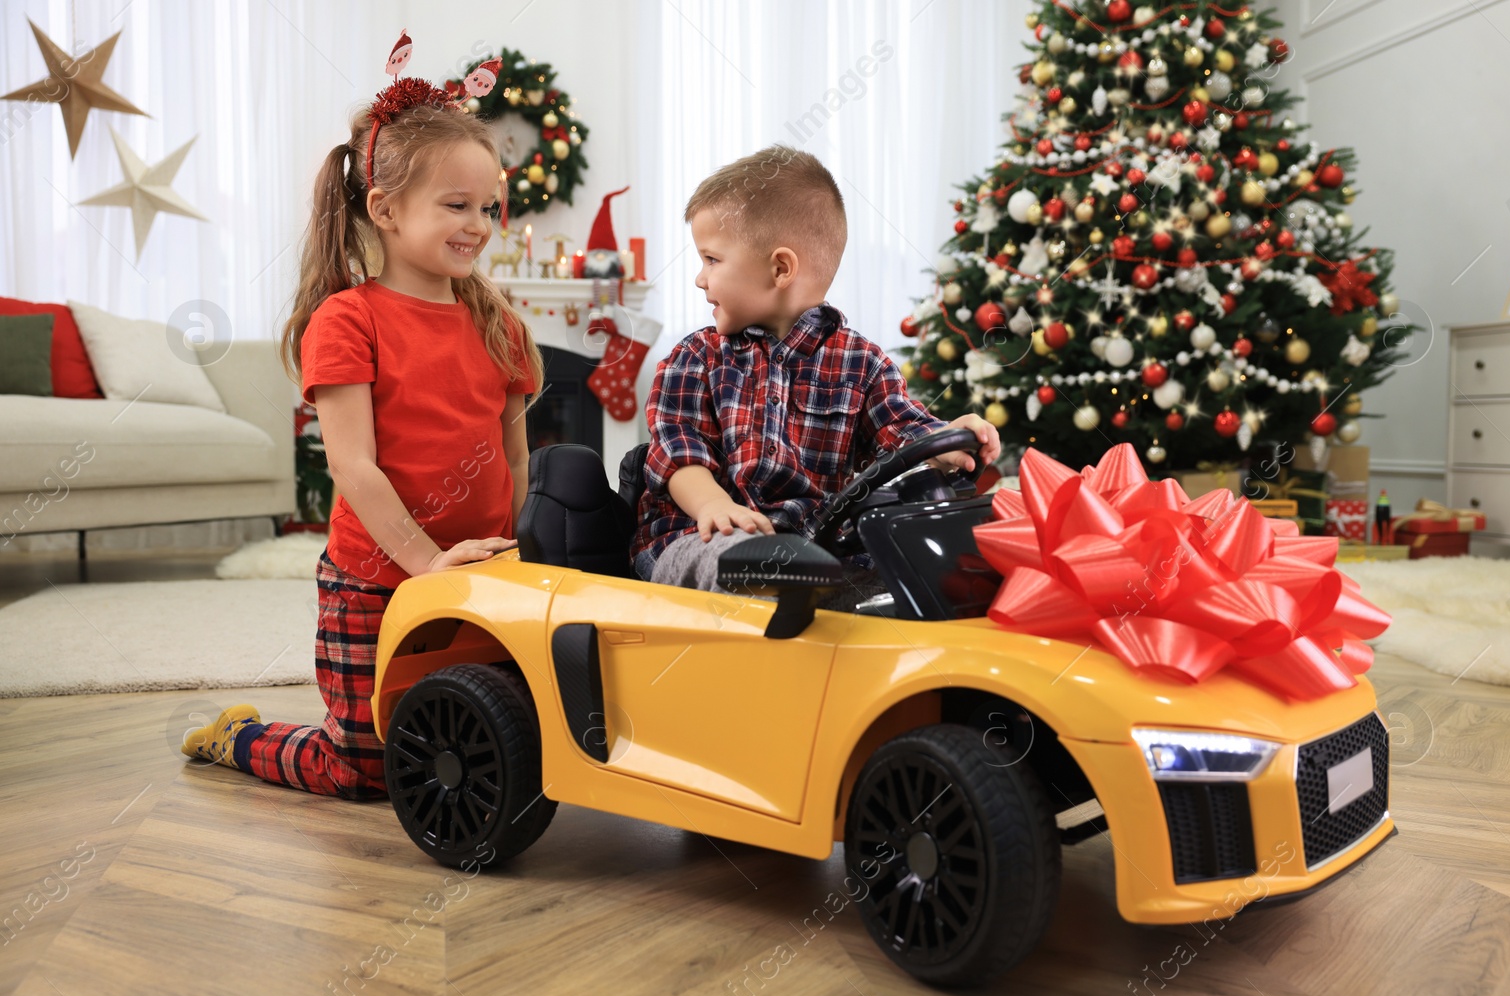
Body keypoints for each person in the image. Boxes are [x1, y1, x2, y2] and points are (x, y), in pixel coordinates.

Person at [180, 47, 542, 799]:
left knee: (475, 741)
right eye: (455, 205)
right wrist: (424, 563)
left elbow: (515, 449)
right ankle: (237, 735)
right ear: (384, 209)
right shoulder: (348, 319)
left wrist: (517, 552)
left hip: (476, 575)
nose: (478, 225)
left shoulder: (498, 322)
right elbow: (354, 466)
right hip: (376, 579)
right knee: (366, 769)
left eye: (487, 207)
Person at [630, 146, 1000, 594]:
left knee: (895, 568)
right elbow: (677, 453)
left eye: (712, 260)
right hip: (703, 534)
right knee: (729, 556)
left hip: (817, 550)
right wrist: (713, 505)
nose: (700, 278)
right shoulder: (696, 357)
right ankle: (783, 591)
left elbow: (903, 427)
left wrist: (943, 441)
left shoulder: (863, 364)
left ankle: (834, 616)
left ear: (780, 268)